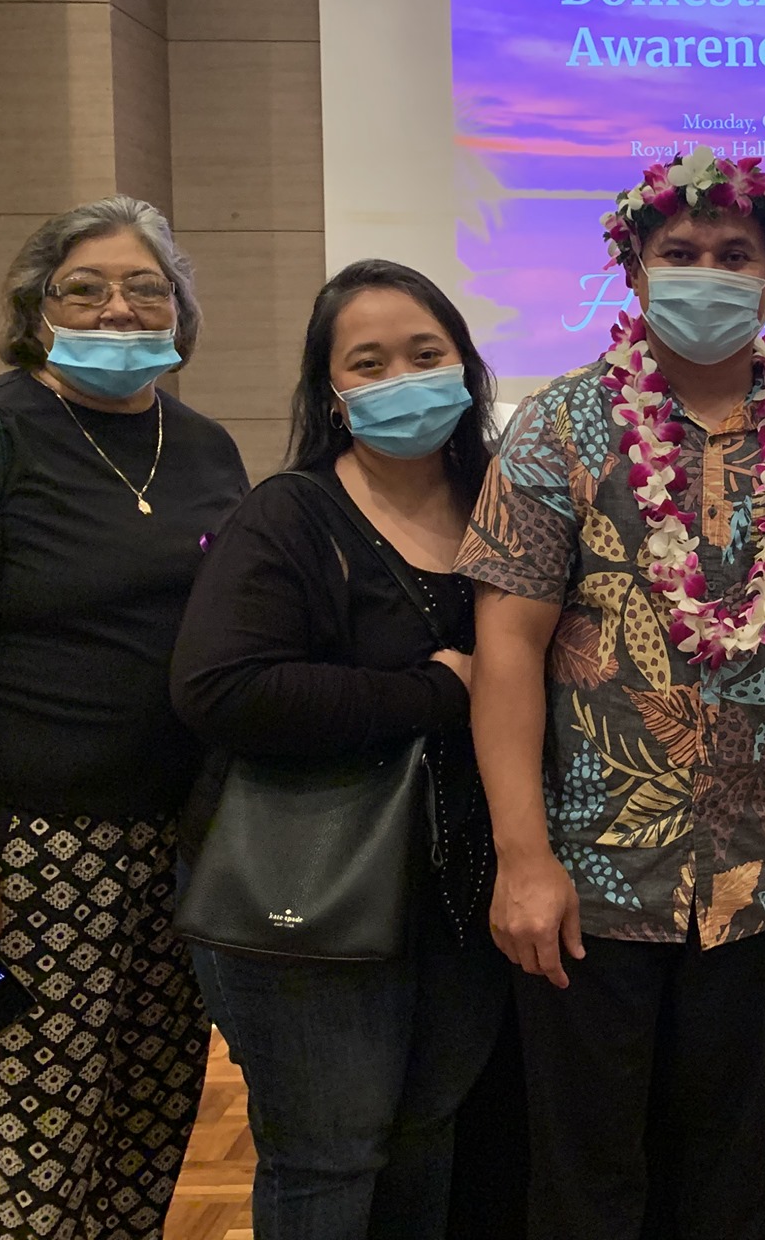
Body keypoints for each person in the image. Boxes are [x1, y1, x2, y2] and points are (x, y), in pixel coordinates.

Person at [456, 147, 765, 1240]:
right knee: (586, 1177)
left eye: (734, 254)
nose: (707, 272)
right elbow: (505, 651)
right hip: (589, 875)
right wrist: (521, 859)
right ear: (635, 270)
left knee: (739, 1176)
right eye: (679, 252)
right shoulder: (559, 429)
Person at [0, 195, 248, 1239]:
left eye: (145, 286)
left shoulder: (207, 449)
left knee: (144, 1129)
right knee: (26, 1157)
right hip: (20, 866)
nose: (118, 307)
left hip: (178, 852)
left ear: (178, 310)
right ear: (37, 310)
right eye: (85, 287)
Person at [170, 259, 519, 1239]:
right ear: (332, 390)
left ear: (465, 363)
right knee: (329, 1155)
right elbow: (219, 688)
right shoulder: (290, 513)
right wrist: (432, 691)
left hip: (462, 888)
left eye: (424, 353)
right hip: (313, 898)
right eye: (367, 362)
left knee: (428, 1134)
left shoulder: (505, 498)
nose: (401, 378)